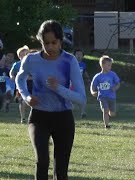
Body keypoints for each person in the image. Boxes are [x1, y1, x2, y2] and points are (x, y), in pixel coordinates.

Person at [15, 20, 86, 179]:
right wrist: (26, 96)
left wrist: (58, 88)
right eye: (46, 43)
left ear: (61, 41)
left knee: (61, 169)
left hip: (63, 118)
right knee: (42, 161)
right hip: (39, 117)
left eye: (54, 42)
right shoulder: (31, 60)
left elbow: (81, 99)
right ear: (41, 42)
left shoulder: (69, 61)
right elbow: (20, 79)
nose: (50, 47)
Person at [90, 55, 120, 129]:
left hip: (112, 97)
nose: (110, 67)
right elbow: (92, 86)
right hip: (102, 97)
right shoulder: (97, 76)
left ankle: (110, 112)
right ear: (102, 65)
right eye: (109, 65)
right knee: (105, 110)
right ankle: (106, 125)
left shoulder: (112, 74)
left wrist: (115, 88)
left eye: (110, 65)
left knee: (112, 113)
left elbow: (118, 83)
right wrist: (93, 92)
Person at [10, 45, 31, 122]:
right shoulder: (17, 64)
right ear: (19, 56)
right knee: (22, 101)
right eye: (23, 55)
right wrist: (12, 76)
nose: (25, 56)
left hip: (31, 84)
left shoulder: (31, 63)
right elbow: (11, 72)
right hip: (21, 85)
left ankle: (32, 117)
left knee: (33, 101)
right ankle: (23, 118)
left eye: (26, 54)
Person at [73, 49, 90, 118]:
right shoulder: (71, 63)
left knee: (82, 98)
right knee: (69, 99)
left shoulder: (83, 64)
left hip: (79, 84)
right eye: (77, 54)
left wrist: (88, 80)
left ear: (83, 56)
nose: (79, 56)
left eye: (81, 54)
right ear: (74, 55)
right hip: (71, 84)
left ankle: (83, 112)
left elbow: (85, 72)